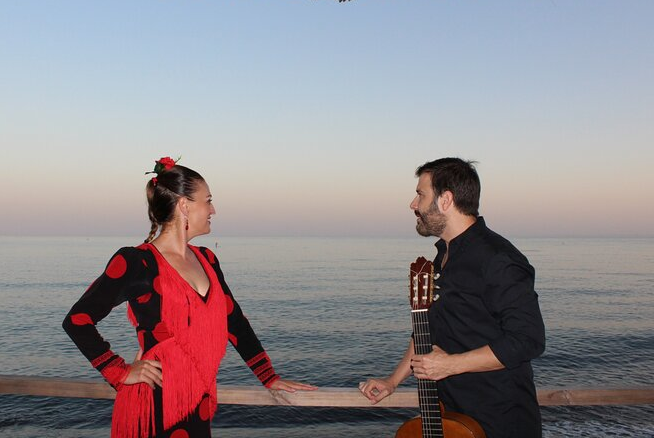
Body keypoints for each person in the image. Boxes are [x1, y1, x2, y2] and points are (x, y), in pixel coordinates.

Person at [63, 156, 316, 438]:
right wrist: (119, 371)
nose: (214, 209)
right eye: (207, 200)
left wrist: (269, 377)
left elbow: (235, 323)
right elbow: (77, 320)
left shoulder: (208, 259)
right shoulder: (137, 262)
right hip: (153, 408)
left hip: (198, 403)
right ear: (184, 205)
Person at [359, 157, 545, 438]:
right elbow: (427, 332)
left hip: (500, 420)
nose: (413, 204)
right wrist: (393, 381)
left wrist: (449, 364)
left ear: (445, 200)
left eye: (421, 194)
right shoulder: (442, 258)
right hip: (449, 413)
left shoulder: (498, 258)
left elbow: (527, 339)